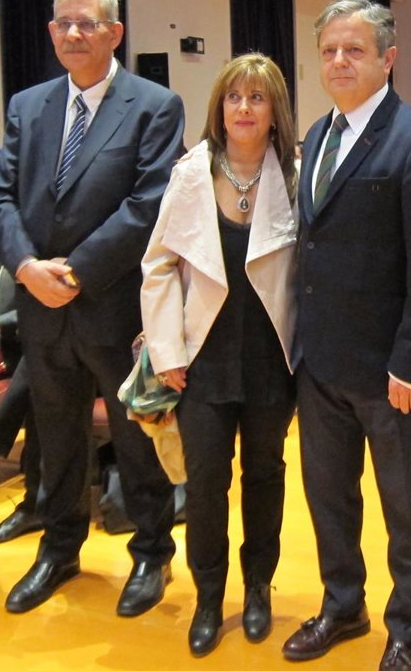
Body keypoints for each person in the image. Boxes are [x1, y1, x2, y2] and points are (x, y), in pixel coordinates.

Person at [0, 0, 186, 617]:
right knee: (56, 438)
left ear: (115, 33)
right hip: (40, 309)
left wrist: (73, 272)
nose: (73, 34)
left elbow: (148, 203)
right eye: (63, 23)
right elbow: (0, 198)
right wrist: (25, 267)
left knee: (135, 438)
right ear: (50, 32)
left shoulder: (154, 105)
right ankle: (60, 548)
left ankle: (152, 552)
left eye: (88, 23)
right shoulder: (28, 106)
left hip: (113, 304)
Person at [285, 0, 411, 671]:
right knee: (329, 499)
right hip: (321, 362)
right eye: (329, 50)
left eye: (354, 50)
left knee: (405, 511)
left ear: (388, 58)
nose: (339, 61)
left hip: (392, 371)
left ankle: (405, 628)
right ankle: (343, 605)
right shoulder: (318, 135)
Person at [140, 53, 298, 657]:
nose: (244, 108)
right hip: (200, 360)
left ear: (274, 110)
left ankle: (258, 586)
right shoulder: (190, 174)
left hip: (271, 360)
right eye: (234, 97)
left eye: (257, 98)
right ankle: (209, 596)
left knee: (265, 476)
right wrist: (165, 350)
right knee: (206, 483)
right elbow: (158, 266)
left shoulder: (295, 175)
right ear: (219, 107)